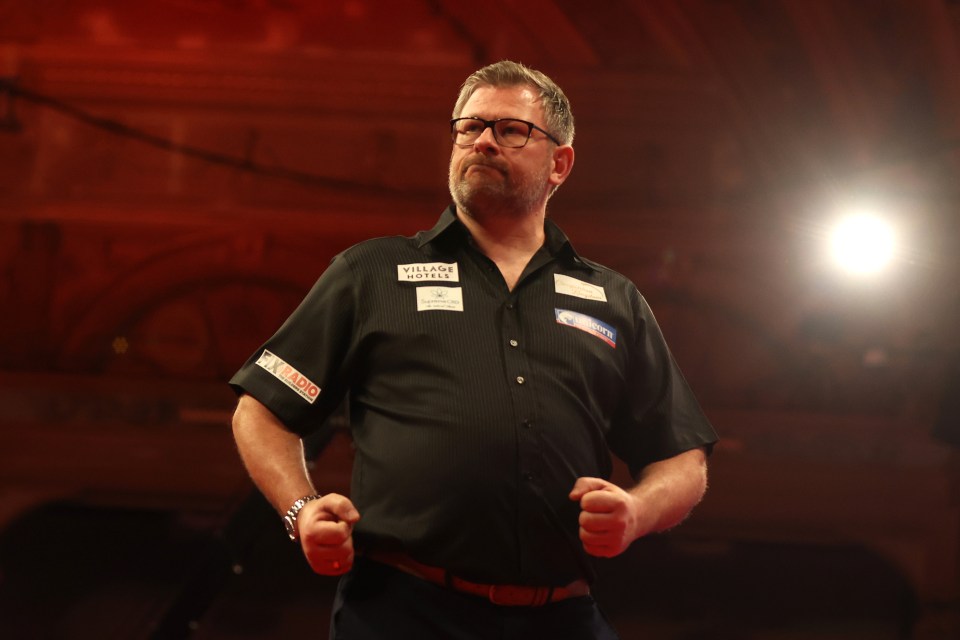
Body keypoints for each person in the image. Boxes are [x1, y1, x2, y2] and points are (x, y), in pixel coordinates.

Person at [229, 60, 718, 639]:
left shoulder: (613, 299)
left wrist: (636, 513)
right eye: (469, 127)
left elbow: (682, 458)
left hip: (562, 616)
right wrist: (300, 509)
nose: (483, 140)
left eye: (511, 130)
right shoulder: (373, 272)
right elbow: (260, 410)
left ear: (560, 163)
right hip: (403, 610)